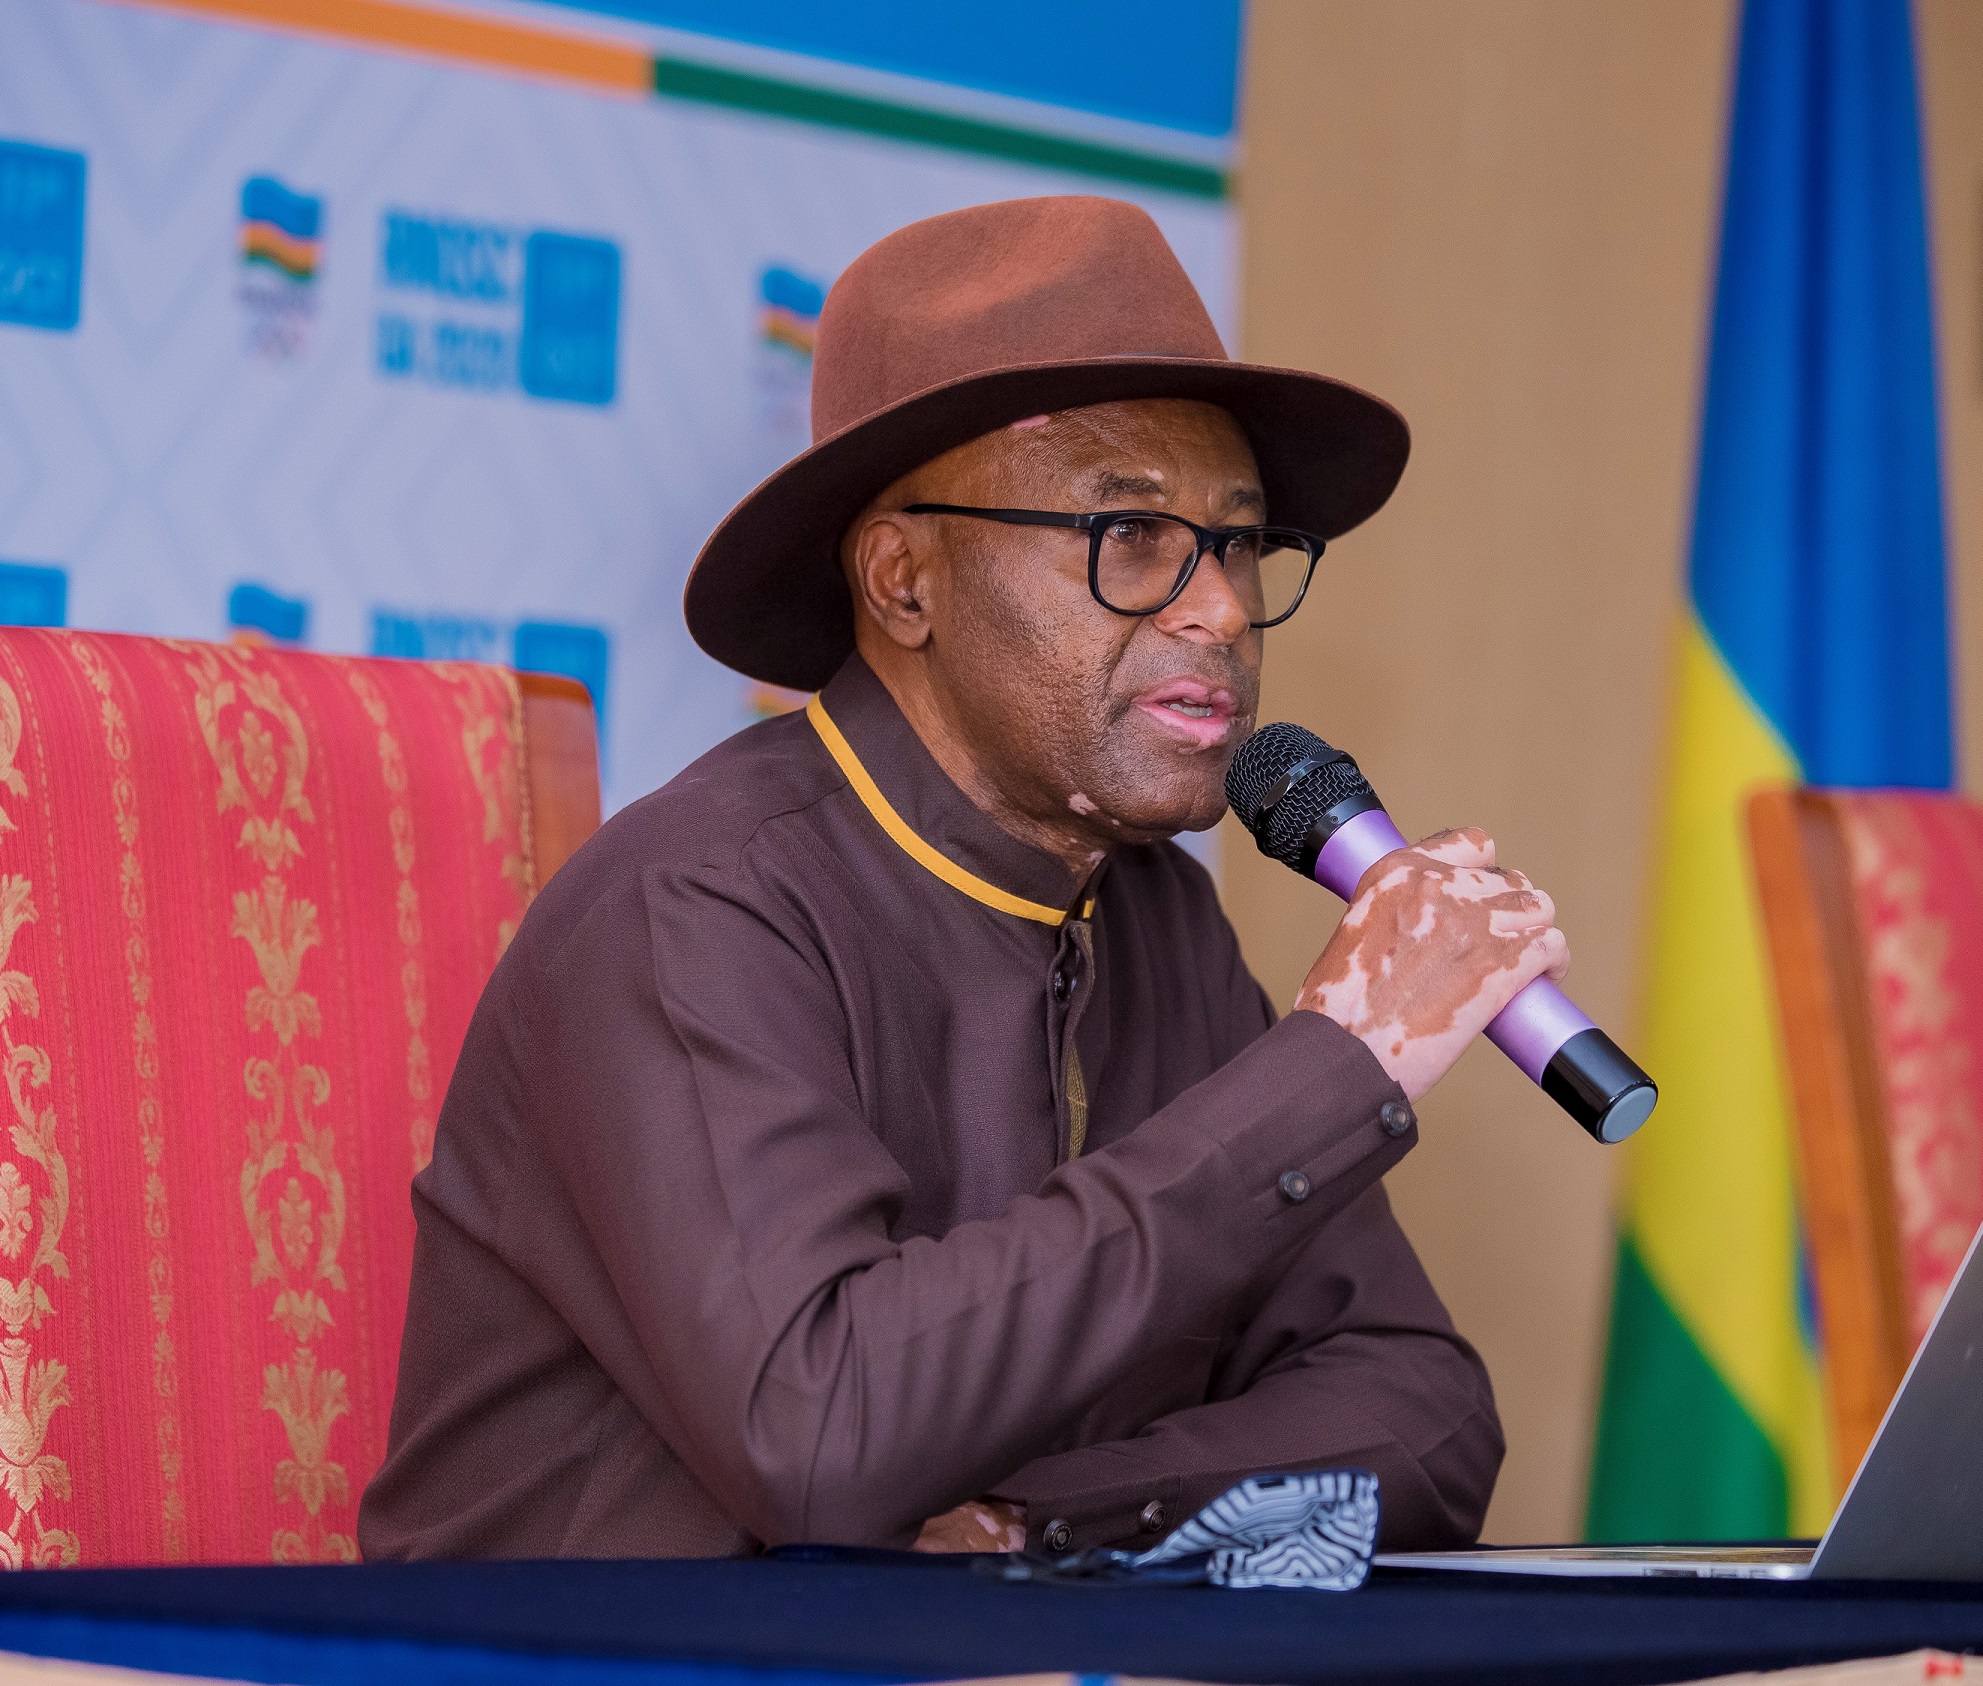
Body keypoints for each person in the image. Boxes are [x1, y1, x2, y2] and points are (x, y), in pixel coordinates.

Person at [360, 196, 1570, 1560]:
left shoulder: (1155, 913)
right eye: (1132, 537)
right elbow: (819, 1436)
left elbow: (1424, 1414)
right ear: (903, 580)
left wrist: (1036, 1521)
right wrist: (1337, 1065)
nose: (1221, 606)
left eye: (1237, 543)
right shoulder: (691, 907)